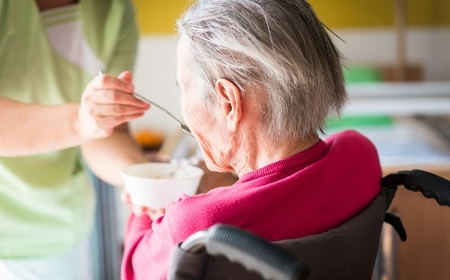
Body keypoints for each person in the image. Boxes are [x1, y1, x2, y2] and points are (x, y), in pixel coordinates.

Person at [121, 0, 382, 279]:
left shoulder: (194, 229)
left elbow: (134, 268)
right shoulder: (360, 156)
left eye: (183, 87)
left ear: (229, 103)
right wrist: (228, 184)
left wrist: (149, 197)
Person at [0, 0, 150, 279]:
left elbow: (107, 133)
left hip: (52, 234)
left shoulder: (116, 12)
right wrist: (79, 121)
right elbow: (88, 125)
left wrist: (145, 177)